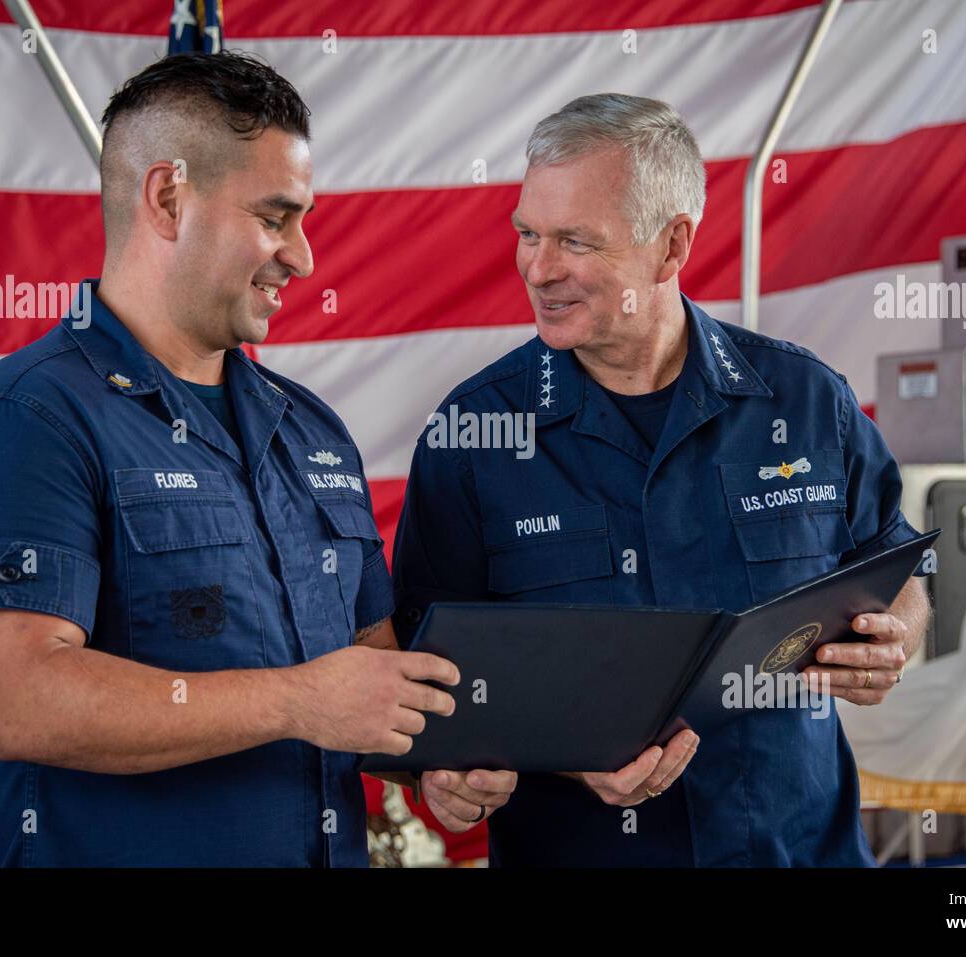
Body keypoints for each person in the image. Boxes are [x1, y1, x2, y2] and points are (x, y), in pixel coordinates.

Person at [0, 51, 514, 867]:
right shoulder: (23, 421)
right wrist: (299, 701)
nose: (303, 257)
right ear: (167, 197)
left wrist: (431, 763)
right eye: (275, 217)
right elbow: (23, 699)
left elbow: (370, 677)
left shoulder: (313, 433)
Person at [391, 93, 931, 867]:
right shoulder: (473, 435)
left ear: (672, 245)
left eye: (576, 240)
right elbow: (423, 670)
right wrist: (465, 770)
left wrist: (896, 635)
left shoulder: (809, 402)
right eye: (527, 233)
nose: (538, 269)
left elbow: (900, 561)